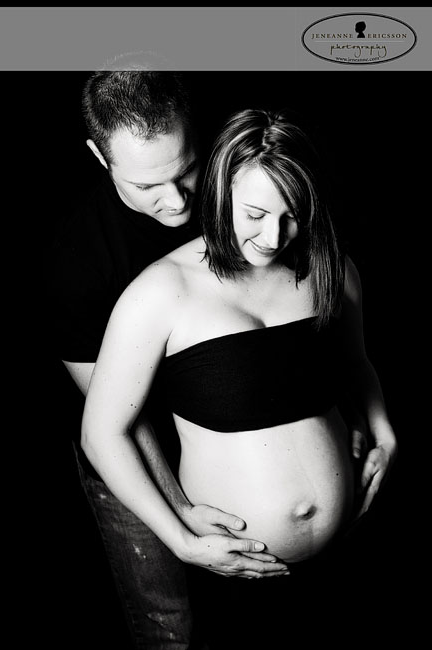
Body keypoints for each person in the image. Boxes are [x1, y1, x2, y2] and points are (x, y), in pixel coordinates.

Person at [81, 108, 398, 647]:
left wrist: (386, 435)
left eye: (292, 215)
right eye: (255, 213)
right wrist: (181, 540)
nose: (273, 236)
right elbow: (101, 433)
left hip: (353, 544)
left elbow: (357, 364)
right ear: (220, 188)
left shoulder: (331, 269)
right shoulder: (161, 292)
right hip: (239, 571)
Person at [46, 75, 290, 650]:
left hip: (222, 423)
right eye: (147, 185)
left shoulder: (240, 190)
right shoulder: (77, 262)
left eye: (186, 170)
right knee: (170, 625)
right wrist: (179, 513)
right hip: (134, 448)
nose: (177, 201)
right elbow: (114, 424)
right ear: (99, 156)